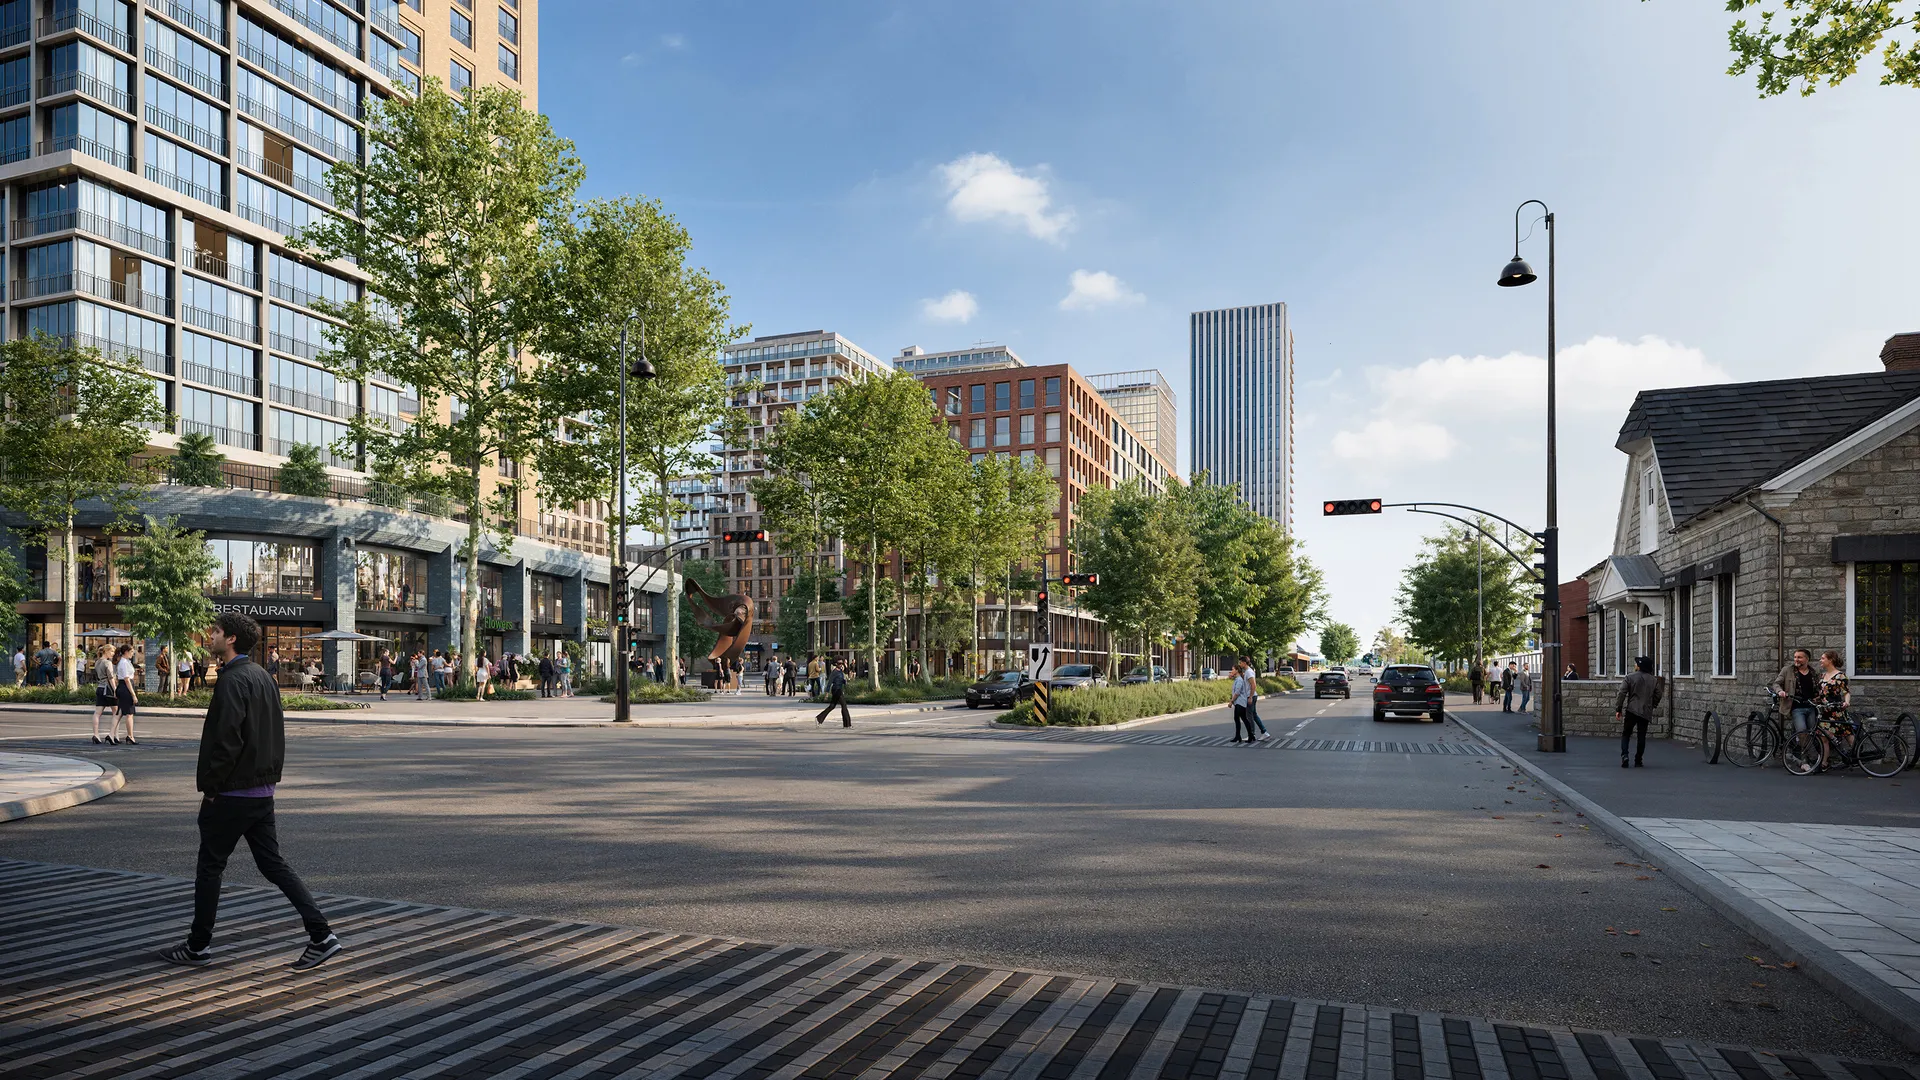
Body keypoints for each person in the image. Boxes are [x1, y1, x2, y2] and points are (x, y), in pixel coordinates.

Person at [158, 612, 339, 971]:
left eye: (216, 632)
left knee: (210, 868)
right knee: (274, 865)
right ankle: (322, 935)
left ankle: (197, 946)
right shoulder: (262, 677)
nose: (211, 636)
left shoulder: (232, 681)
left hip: (231, 793)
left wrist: (211, 788)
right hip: (261, 791)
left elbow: (226, 741)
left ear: (232, 640)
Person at [1613, 655, 1663, 768]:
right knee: (1641, 736)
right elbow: (1659, 694)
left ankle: (1625, 755)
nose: (1635, 665)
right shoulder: (1653, 680)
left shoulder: (1630, 677)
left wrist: (1618, 709)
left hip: (1632, 709)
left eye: (1636, 664)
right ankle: (1638, 759)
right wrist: (1653, 704)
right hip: (1645, 711)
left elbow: (1622, 693)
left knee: (1626, 734)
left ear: (1639, 666)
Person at [1773, 648, 1820, 735]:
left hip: (1811, 707)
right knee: (1802, 732)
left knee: (1813, 733)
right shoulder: (1787, 670)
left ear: (1807, 659)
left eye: (1799, 657)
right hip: (1796, 707)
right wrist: (1780, 691)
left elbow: (1819, 688)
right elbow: (1776, 684)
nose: (1796, 659)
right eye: (1795, 657)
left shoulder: (1814, 672)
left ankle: (1806, 748)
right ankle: (1807, 749)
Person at [111, 643, 139, 745]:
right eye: (131, 652)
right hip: (126, 687)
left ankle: (111, 734)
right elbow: (127, 679)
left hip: (123, 687)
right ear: (126, 652)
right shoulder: (124, 662)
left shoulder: (125, 662)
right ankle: (130, 736)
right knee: (129, 714)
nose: (133, 653)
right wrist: (133, 694)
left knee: (120, 712)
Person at [91, 644, 116, 744]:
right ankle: (112, 734)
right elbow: (111, 678)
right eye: (112, 652)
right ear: (106, 651)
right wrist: (115, 689)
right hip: (108, 688)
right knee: (116, 712)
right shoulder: (107, 663)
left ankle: (96, 735)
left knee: (97, 713)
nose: (113, 654)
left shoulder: (97, 662)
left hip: (100, 688)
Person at [1240, 655, 1270, 739]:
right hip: (1252, 696)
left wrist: (1250, 697)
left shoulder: (1249, 672)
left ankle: (1251, 735)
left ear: (1244, 663)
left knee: (1249, 716)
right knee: (1254, 715)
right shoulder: (1247, 672)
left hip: (1251, 696)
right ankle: (1264, 732)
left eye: (1241, 662)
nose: (1240, 664)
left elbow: (1253, 685)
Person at [815, 659, 851, 727]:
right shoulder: (834, 672)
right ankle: (847, 724)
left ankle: (819, 718)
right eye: (839, 663)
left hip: (839, 689)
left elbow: (842, 679)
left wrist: (845, 681)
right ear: (836, 664)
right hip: (836, 690)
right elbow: (829, 683)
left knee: (832, 706)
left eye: (841, 663)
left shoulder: (840, 671)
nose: (841, 665)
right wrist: (826, 694)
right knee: (844, 706)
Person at [1229, 661, 1257, 744]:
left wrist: (1231, 701)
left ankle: (1250, 735)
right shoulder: (1238, 679)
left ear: (1237, 670)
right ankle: (1239, 736)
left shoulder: (1239, 680)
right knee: (1238, 719)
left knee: (1243, 719)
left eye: (1233, 669)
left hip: (1240, 702)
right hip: (1238, 702)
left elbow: (1237, 692)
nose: (1231, 671)